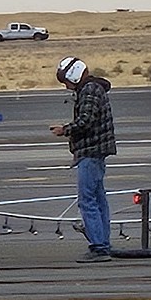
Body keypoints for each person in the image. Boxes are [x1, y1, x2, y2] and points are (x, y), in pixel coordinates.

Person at [50, 56, 117, 262]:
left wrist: (65, 130)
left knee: (87, 200)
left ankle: (98, 246)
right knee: (98, 200)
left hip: (90, 152)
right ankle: (103, 243)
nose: (67, 86)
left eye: (66, 82)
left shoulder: (89, 91)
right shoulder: (94, 88)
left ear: (74, 76)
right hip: (96, 152)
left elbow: (86, 121)